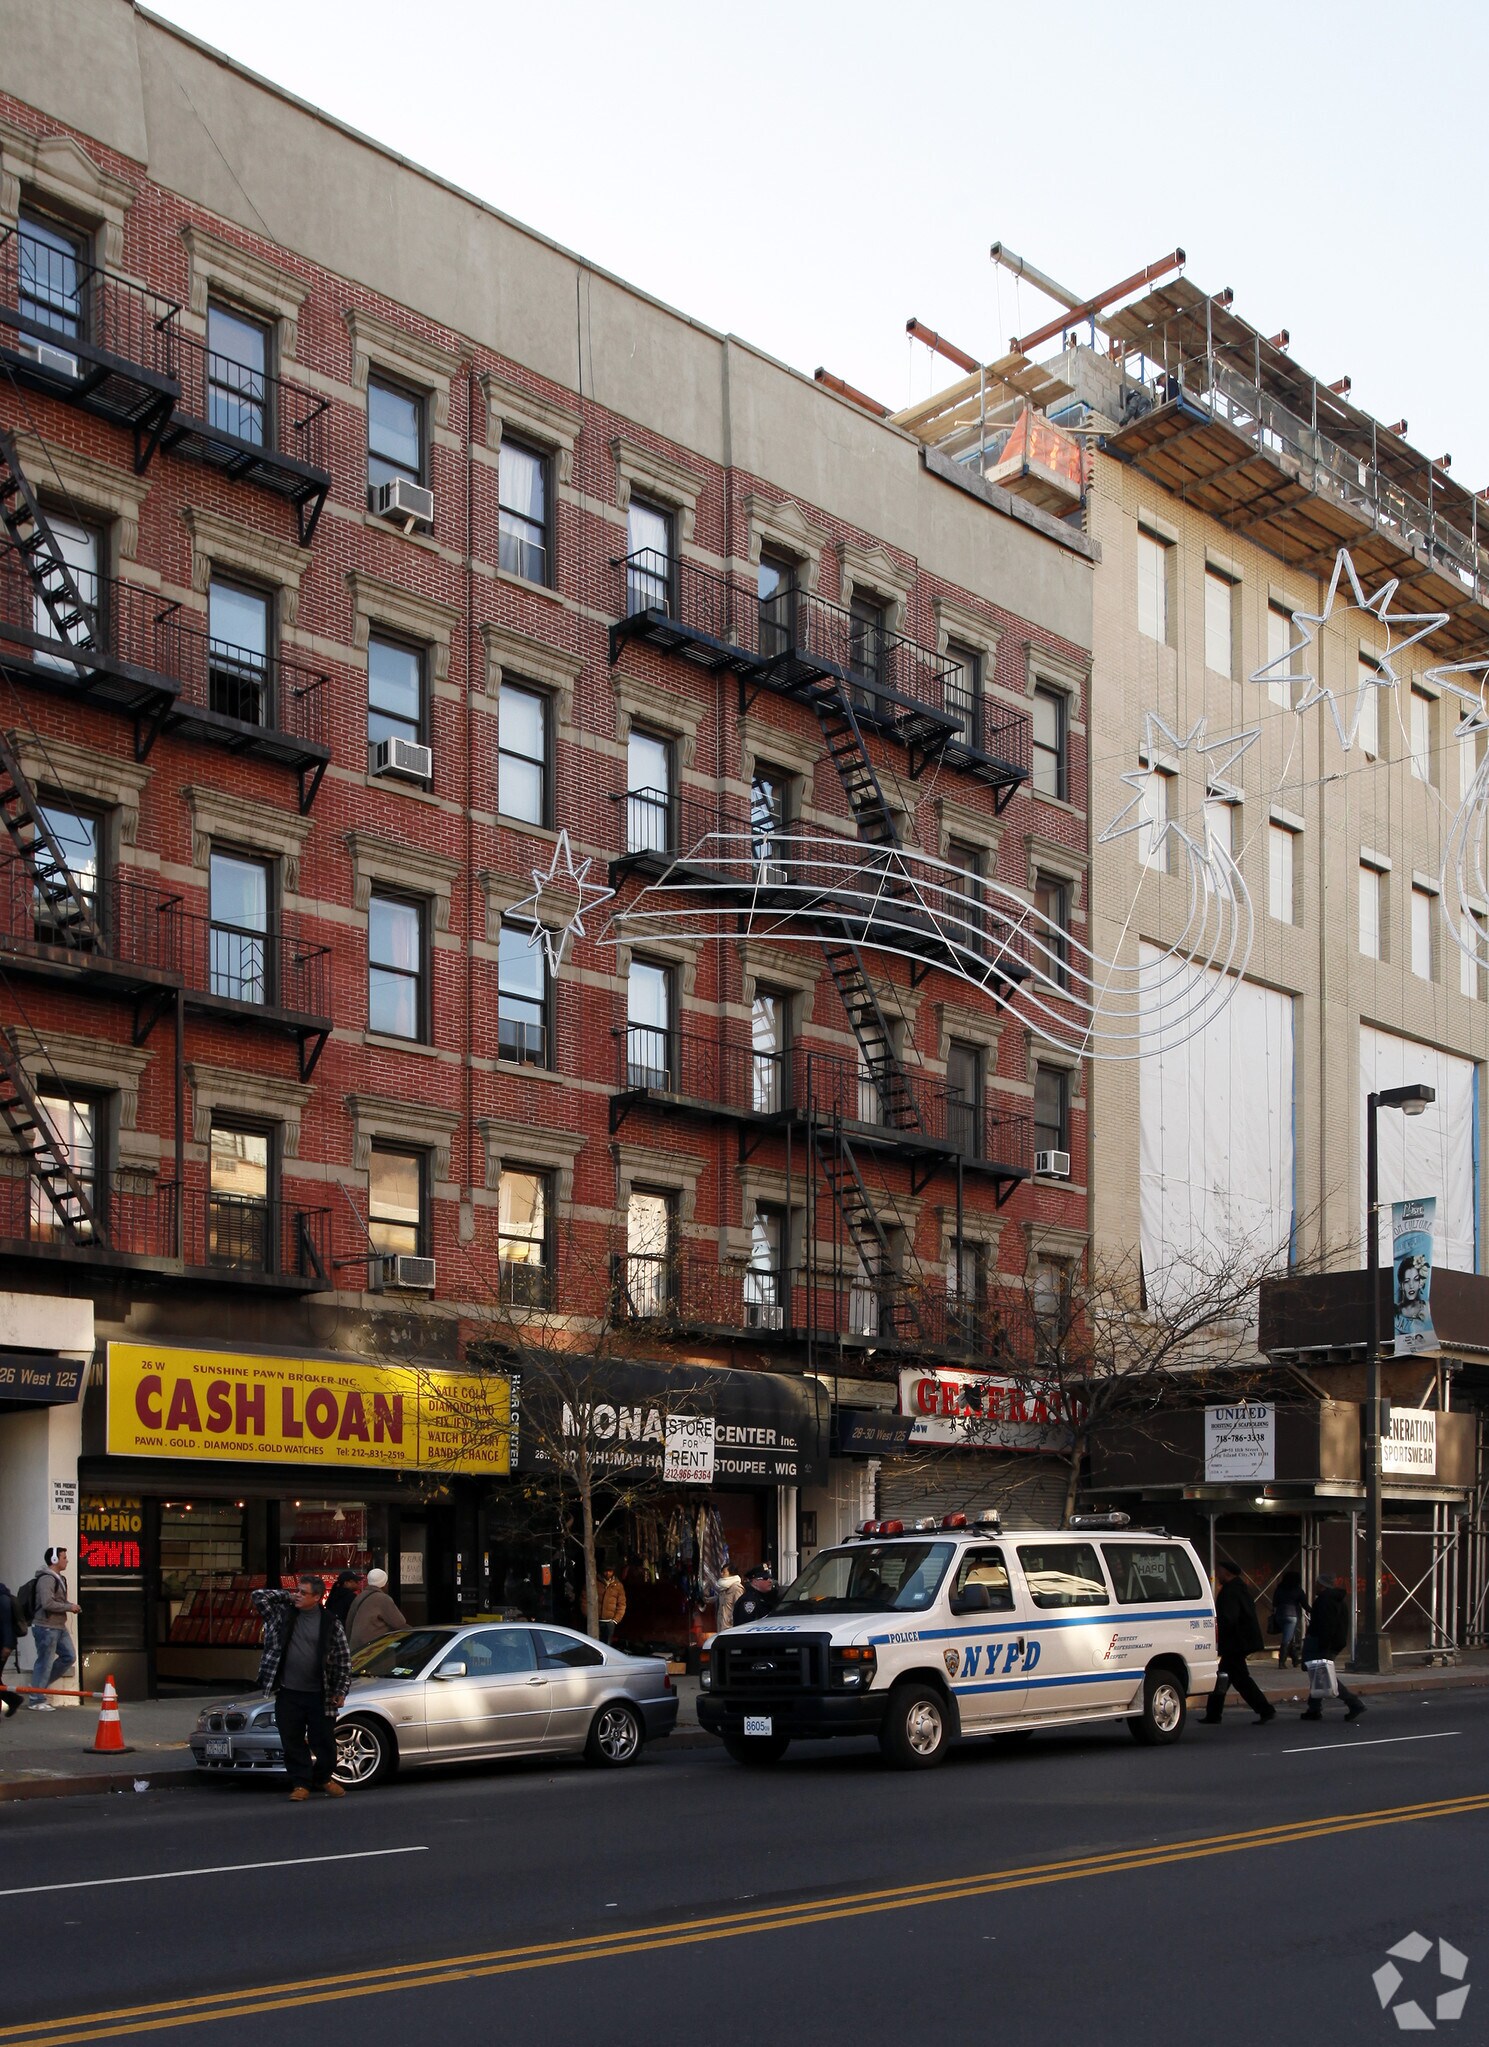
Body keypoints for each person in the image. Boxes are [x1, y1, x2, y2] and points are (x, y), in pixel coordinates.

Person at [251, 1576, 352, 1799]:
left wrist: (340, 1690)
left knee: (324, 1742)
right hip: (289, 1692)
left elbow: (343, 1659)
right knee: (292, 1740)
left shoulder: (330, 1622)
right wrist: (287, 1595)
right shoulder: (283, 1615)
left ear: (317, 1597)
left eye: (303, 1593)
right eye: (297, 1591)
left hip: (319, 1694)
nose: (298, 1595)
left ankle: (323, 1777)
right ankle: (301, 1784)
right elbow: (258, 1597)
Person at [1202, 1558, 1276, 1725]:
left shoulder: (1230, 1592)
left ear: (1227, 1573)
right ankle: (1214, 1714)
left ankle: (1265, 1709)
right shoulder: (1239, 1589)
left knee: (1235, 1679)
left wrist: (1218, 1635)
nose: (1218, 1574)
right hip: (1238, 1643)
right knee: (1227, 1678)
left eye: (1220, 1571)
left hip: (1235, 1643)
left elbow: (1229, 1618)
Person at [1299, 1575, 1366, 1722]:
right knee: (1318, 1674)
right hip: (1333, 1642)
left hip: (1324, 1643)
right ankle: (1314, 1708)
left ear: (1322, 1585)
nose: (1315, 1586)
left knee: (1324, 1675)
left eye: (1317, 1584)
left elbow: (1325, 1626)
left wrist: (1322, 1645)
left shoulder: (1324, 1601)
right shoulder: (1336, 1600)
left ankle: (1353, 1703)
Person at [27, 1547, 80, 1710]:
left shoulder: (60, 1579)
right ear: (54, 1560)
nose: (67, 1560)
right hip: (46, 1626)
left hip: (58, 1625)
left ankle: (37, 1686)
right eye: (64, 1557)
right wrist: (69, 1607)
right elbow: (47, 1603)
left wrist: (68, 1606)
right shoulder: (47, 1579)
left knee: (69, 1656)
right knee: (45, 1661)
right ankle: (36, 1698)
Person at [344, 1567, 407, 1652]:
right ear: (384, 1584)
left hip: (357, 1651)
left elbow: (349, 1624)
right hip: (375, 1651)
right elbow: (400, 1624)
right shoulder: (383, 1599)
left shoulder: (359, 1597)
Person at [1273, 1569, 1309, 1669]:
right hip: (1292, 1615)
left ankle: (1295, 1659)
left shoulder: (1279, 1589)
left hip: (1280, 1615)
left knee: (1289, 1636)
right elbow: (1305, 1605)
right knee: (1287, 1639)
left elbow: (1274, 1603)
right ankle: (1282, 1662)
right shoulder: (1297, 1590)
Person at [598, 1567, 626, 1645]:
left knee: (607, 1645)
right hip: (595, 1620)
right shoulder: (596, 1582)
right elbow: (585, 1599)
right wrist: (588, 1615)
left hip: (609, 1621)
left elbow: (622, 1604)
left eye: (610, 1571)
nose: (607, 1573)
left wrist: (615, 1620)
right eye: (605, 1571)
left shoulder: (618, 1585)